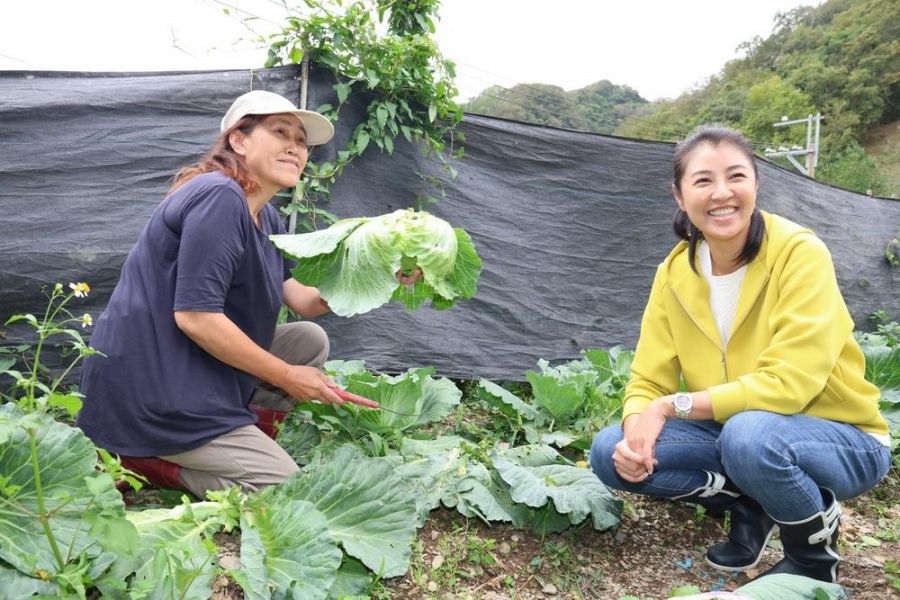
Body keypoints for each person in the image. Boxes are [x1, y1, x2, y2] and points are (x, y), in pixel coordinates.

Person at [77, 90, 417, 497]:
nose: (295, 147)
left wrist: (383, 272)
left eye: (302, 142)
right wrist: (289, 378)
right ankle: (150, 461)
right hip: (153, 387)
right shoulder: (218, 196)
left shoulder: (265, 214)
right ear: (239, 140)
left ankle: (239, 438)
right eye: (280, 132)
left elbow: (304, 301)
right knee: (287, 492)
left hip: (192, 366)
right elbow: (196, 318)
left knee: (307, 340)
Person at [590, 126, 891, 584]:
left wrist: (672, 405)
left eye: (736, 176)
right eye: (703, 180)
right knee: (608, 450)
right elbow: (648, 380)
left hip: (842, 439)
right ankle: (755, 501)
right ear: (679, 194)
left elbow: (790, 384)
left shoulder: (798, 253)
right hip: (743, 434)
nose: (722, 193)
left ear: (756, 184)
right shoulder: (674, 273)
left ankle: (812, 558)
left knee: (749, 436)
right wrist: (638, 431)